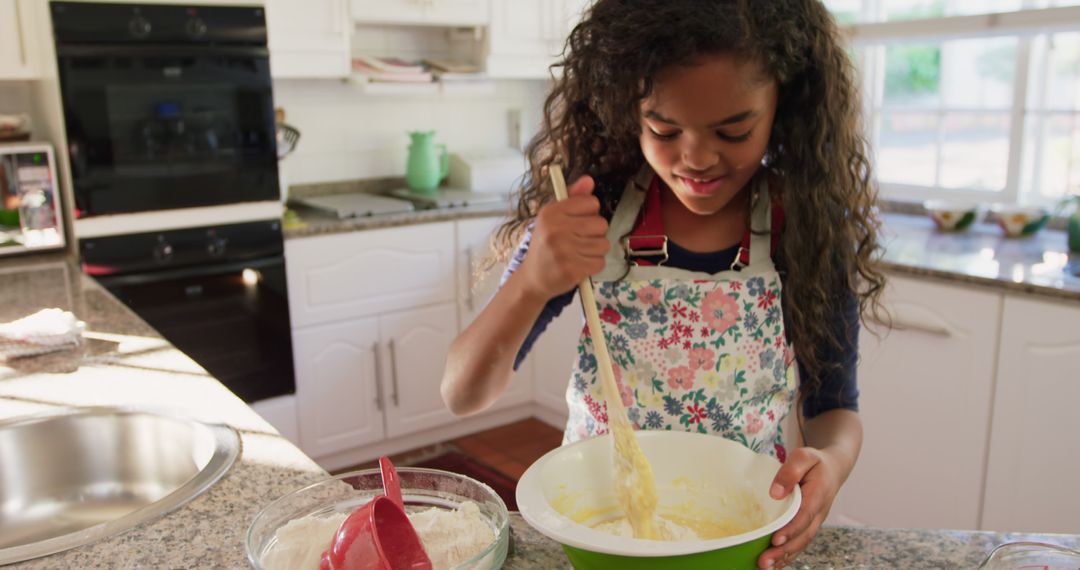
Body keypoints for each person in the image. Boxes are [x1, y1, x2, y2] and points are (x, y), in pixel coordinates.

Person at [441, 0, 885, 567]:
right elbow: (462, 393)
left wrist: (833, 462)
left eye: (733, 130)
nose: (695, 158)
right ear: (628, 107)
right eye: (664, 129)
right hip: (600, 531)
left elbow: (834, 408)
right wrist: (531, 281)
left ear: (785, 104)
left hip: (740, 537)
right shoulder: (591, 213)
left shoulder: (804, 227)